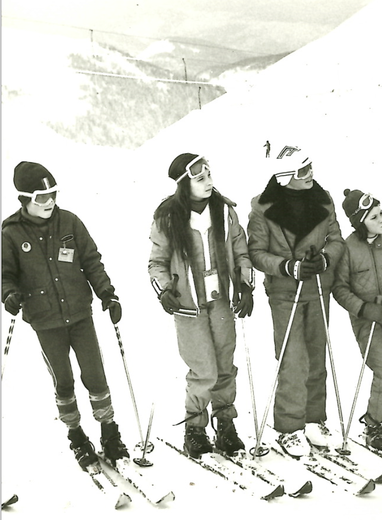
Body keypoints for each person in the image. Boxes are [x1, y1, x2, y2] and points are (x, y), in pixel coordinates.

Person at [2, 161, 128, 470]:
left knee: (95, 376)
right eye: (40, 197)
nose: (49, 202)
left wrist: (107, 293)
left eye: (52, 194)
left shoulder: (70, 223)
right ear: (24, 199)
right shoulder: (11, 233)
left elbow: (91, 260)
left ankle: (109, 433)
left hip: (79, 314)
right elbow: (6, 274)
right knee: (64, 381)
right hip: (45, 321)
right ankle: (76, 435)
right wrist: (8, 294)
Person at [148, 153, 254, 458]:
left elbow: (241, 251)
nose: (209, 183)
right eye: (200, 178)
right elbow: (156, 262)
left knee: (224, 364)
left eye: (209, 175)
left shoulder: (224, 212)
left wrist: (245, 285)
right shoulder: (168, 218)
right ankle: (194, 428)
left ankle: (225, 425)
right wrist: (165, 289)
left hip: (220, 301)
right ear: (185, 185)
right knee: (203, 368)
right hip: (188, 306)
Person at [247, 146, 344, 457]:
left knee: (317, 355)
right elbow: (257, 253)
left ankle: (313, 419)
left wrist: (326, 259)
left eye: (311, 166)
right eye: (303, 171)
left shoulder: (323, 199)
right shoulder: (263, 210)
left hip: (317, 286)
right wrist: (288, 266)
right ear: (286, 177)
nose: (310, 174)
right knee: (293, 359)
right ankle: (289, 427)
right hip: (285, 292)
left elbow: (336, 238)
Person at [332, 189, 382, 448]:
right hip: (366, 320)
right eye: (376, 216)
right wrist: (363, 309)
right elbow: (340, 288)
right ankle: (374, 424)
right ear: (360, 220)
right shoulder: (347, 248)